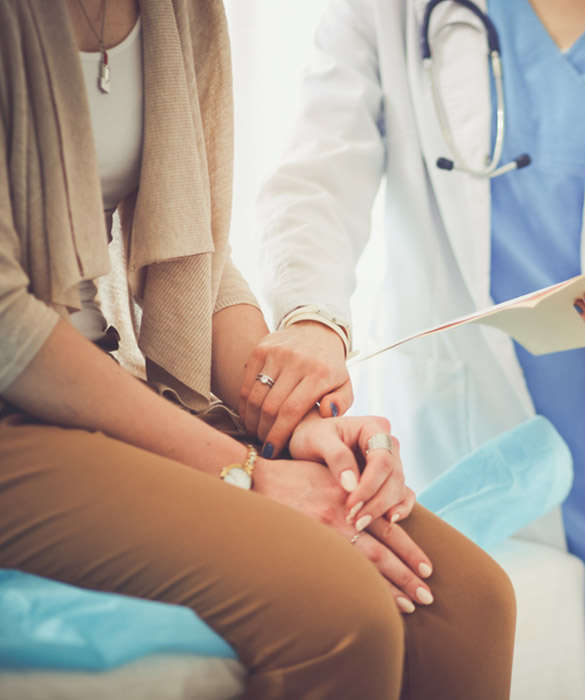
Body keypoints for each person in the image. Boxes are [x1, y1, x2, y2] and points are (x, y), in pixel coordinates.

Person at [254, 0, 585, 698]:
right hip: (475, 456)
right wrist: (312, 316)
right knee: (501, 648)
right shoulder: (389, 11)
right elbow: (316, 182)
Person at [0, 1, 516, 699]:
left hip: (108, 380)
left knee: (470, 605)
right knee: (340, 611)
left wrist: (295, 422)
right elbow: (10, 329)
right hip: (21, 405)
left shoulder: (182, 13)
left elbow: (197, 263)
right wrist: (248, 471)